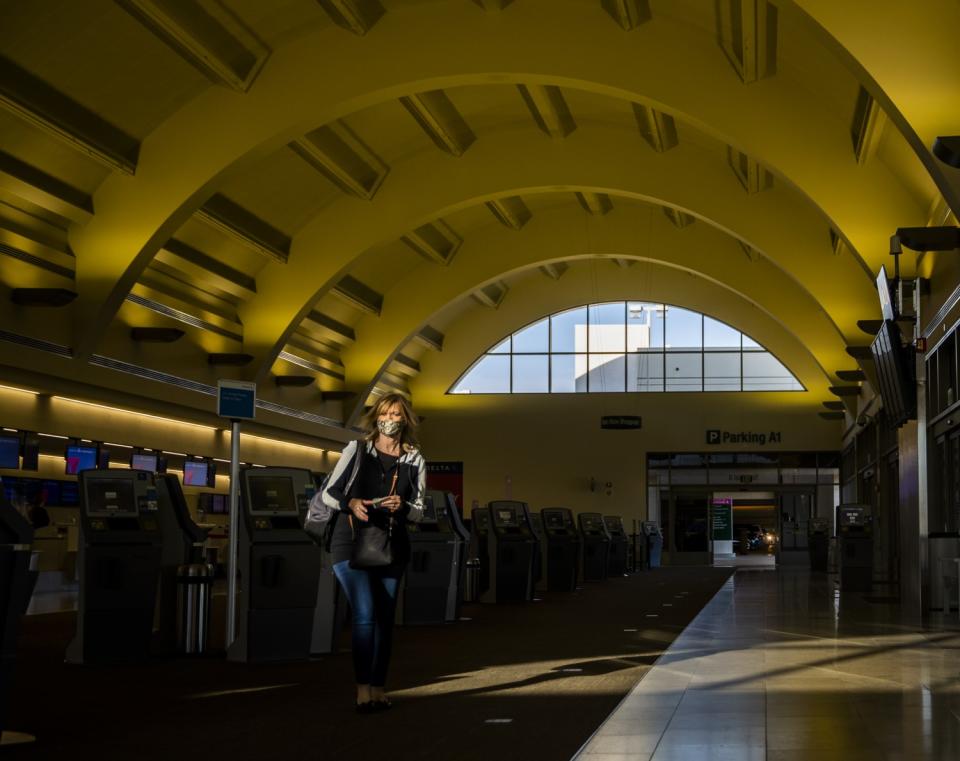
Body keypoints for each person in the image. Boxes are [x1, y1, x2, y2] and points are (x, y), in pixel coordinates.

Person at [320, 393, 425, 713]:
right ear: (375, 417)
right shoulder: (357, 450)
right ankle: (362, 689)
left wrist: (403, 506)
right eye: (384, 413)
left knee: (384, 619)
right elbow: (328, 493)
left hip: (390, 546)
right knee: (365, 615)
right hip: (349, 543)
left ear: (405, 419)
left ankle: (379, 688)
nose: (389, 420)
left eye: (396, 415)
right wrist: (350, 503)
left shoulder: (414, 459)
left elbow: (420, 509)